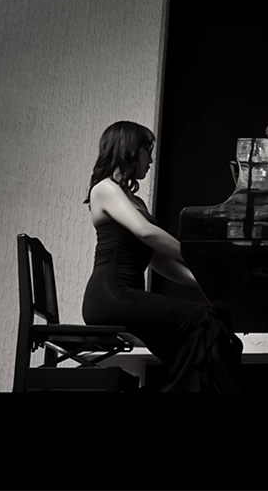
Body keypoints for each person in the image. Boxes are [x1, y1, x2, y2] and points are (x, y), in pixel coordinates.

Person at [81, 121, 241, 392]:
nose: (151, 160)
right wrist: (195, 257)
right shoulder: (104, 189)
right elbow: (146, 232)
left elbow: (158, 261)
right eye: (148, 150)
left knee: (195, 339)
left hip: (124, 296)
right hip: (109, 295)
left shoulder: (135, 202)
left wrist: (202, 280)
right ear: (130, 150)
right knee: (204, 321)